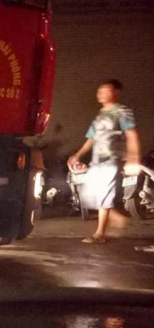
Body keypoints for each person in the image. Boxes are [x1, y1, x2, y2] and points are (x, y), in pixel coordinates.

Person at [67, 79, 140, 243]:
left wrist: (133, 158)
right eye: (99, 91)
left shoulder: (122, 111)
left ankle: (99, 235)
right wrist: (77, 154)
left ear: (115, 92)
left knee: (104, 194)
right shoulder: (100, 115)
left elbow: (132, 134)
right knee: (86, 195)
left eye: (106, 90)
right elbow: (91, 138)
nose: (101, 93)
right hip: (96, 161)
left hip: (111, 159)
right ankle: (116, 217)